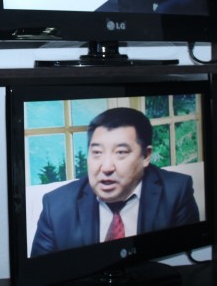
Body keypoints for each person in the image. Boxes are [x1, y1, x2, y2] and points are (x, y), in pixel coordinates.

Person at [30, 107, 199, 257]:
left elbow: (184, 260)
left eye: (121, 152)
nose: (106, 167)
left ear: (146, 156)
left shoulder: (176, 191)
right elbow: (39, 274)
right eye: (97, 152)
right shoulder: (56, 206)